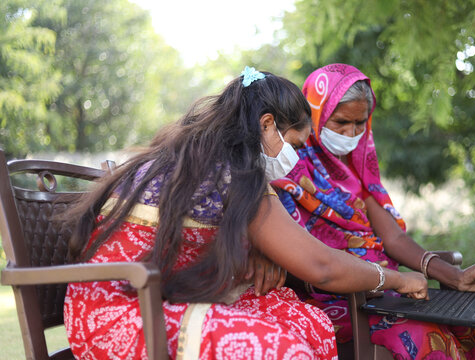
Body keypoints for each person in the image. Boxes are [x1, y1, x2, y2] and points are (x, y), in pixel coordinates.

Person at [63, 66, 429, 360]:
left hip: (158, 298)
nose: (295, 159)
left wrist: (259, 249)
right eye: (295, 145)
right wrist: (396, 279)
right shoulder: (234, 171)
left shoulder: (216, 158)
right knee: (283, 350)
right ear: (267, 124)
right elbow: (322, 267)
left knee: (307, 320)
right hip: (122, 315)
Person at [272, 63, 475, 359]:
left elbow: (394, 239)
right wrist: (367, 277)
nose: (351, 134)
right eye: (340, 122)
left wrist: (455, 277)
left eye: (360, 123)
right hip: (333, 299)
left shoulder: (356, 169)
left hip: (386, 291)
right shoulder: (286, 167)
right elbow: (301, 263)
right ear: (315, 112)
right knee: (427, 337)